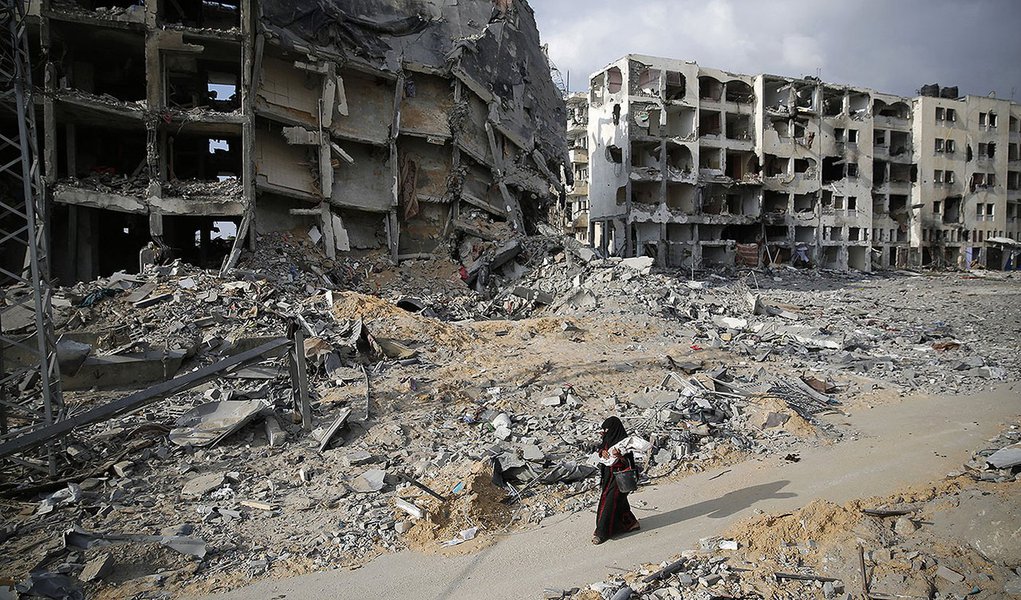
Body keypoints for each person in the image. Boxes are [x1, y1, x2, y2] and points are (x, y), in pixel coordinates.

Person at [593, 416, 639, 544]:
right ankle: (631, 523)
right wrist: (602, 452)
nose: (605, 432)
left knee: (609, 502)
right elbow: (601, 449)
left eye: (607, 429)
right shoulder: (607, 439)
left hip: (620, 478)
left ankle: (601, 533)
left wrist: (620, 456)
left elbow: (630, 463)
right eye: (604, 430)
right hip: (608, 477)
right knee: (619, 502)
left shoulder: (624, 442)